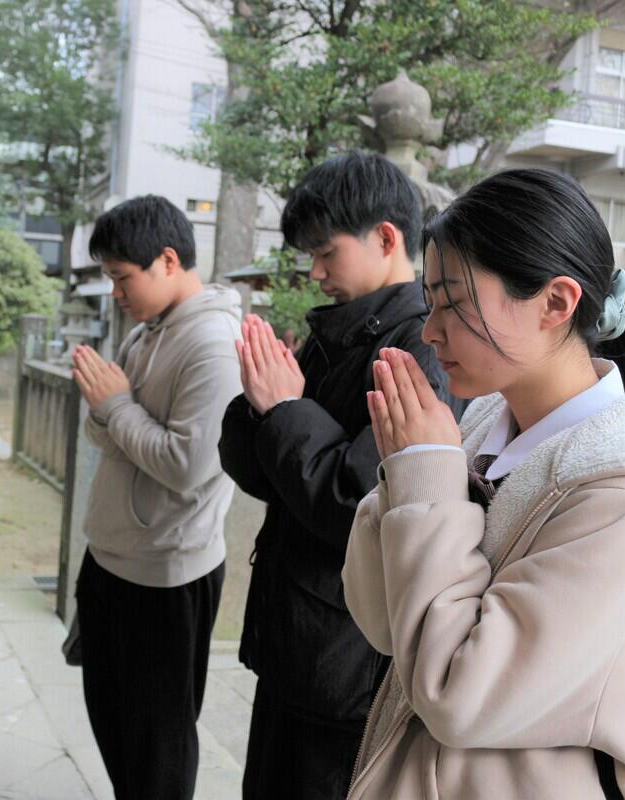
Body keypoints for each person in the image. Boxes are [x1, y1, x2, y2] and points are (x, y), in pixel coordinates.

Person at [341, 168, 625, 799]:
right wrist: (407, 473)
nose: (430, 329)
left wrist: (425, 484)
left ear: (556, 302)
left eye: (454, 303)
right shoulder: (477, 434)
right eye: (430, 302)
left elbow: (459, 696)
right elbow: (381, 623)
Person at [218, 151, 465, 800]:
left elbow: (358, 501)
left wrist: (286, 409)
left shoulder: (418, 350)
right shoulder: (338, 333)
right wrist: (258, 404)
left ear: (387, 238)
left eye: (327, 254)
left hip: (346, 663)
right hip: (295, 647)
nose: (316, 272)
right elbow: (265, 473)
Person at [70, 194, 242, 800]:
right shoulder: (146, 334)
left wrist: (117, 408)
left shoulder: (214, 342)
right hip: (111, 558)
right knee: (114, 728)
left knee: (158, 748)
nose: (115, 293)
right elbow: (100, 427)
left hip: (166, 574)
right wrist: (113, 412)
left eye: (121, 277)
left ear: (168, 260)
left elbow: (189, 465)